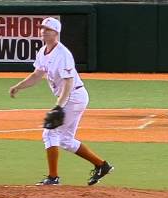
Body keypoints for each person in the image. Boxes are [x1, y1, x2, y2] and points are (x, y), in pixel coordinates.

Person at [8, 17, 114, 186]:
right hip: (70, 97)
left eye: (47, 29)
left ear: (56, 33)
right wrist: (18, 87)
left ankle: (53, 177)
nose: (43, 31)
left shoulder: (63, 54)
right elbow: (37, 75)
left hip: (74, 97)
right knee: (65, 140)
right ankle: (102, 165)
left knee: (50, 132)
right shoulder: (43, 51)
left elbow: (68, 82)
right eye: (42, 28)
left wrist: (59, 105)